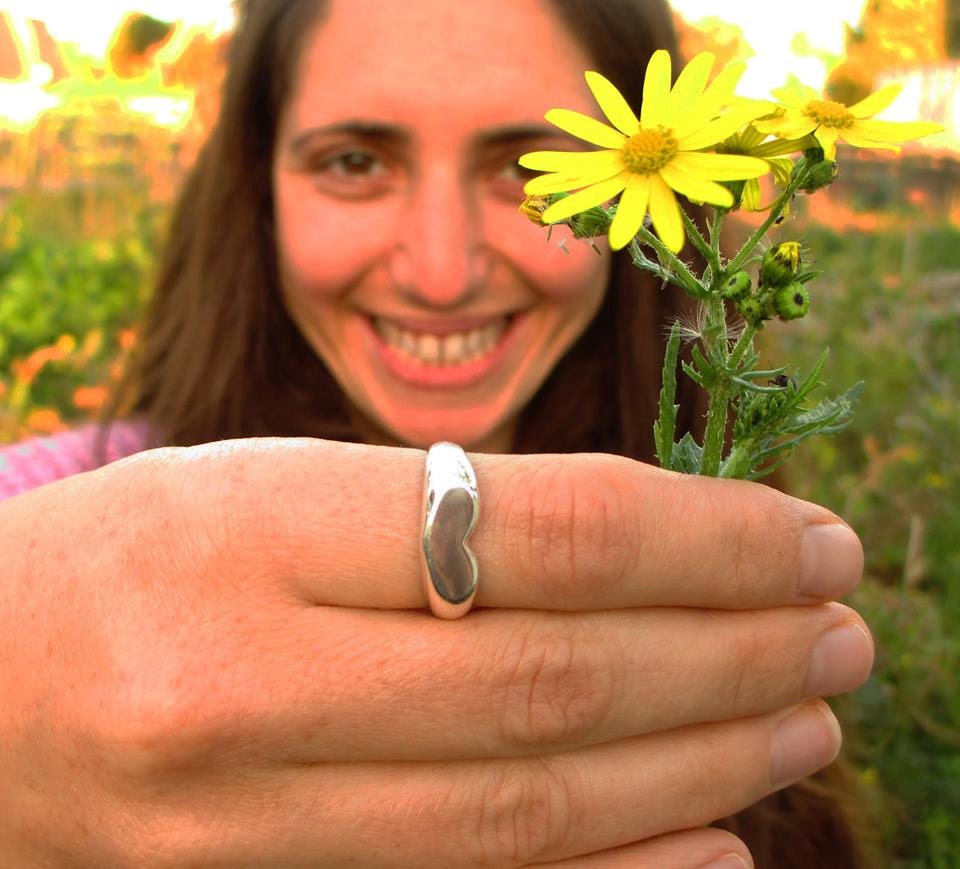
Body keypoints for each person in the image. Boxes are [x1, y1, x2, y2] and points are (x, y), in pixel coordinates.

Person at [0, 0, 876, 866]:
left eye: (524, 168)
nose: (442, 272)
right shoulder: (44, 510)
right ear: (258, 187)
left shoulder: (740, 561)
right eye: (355, 161)